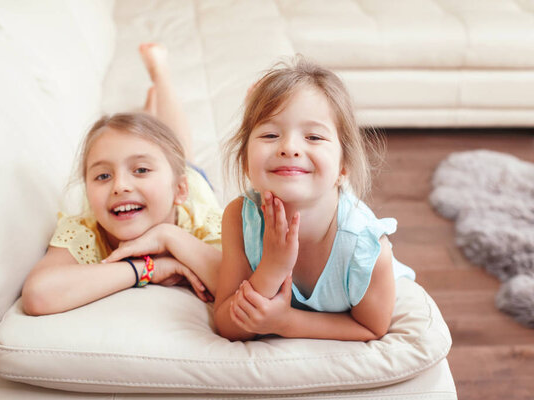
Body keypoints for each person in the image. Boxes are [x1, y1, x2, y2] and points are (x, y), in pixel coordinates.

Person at [214, 57, 415, 341]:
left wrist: (285, 322)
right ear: (246, 163)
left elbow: (371, 327)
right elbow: (227, 324)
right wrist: (272, 268)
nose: (289, 147)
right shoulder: (239, 218)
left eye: (314, 137)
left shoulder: (365, 248)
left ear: (344, 166)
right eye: (270, 134)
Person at [22, 44, 221, 316]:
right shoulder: (85, 231)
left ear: (179, 190)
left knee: (181, 153)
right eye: (103, 175)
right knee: (153, 147)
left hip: (194, 186)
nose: (120, 186)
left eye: (140, 170)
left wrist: (170, 236)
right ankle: (147, 115)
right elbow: (38, 296)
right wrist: (146, 269)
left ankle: (160, 73)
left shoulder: (200, 221)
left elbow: (236, 285)